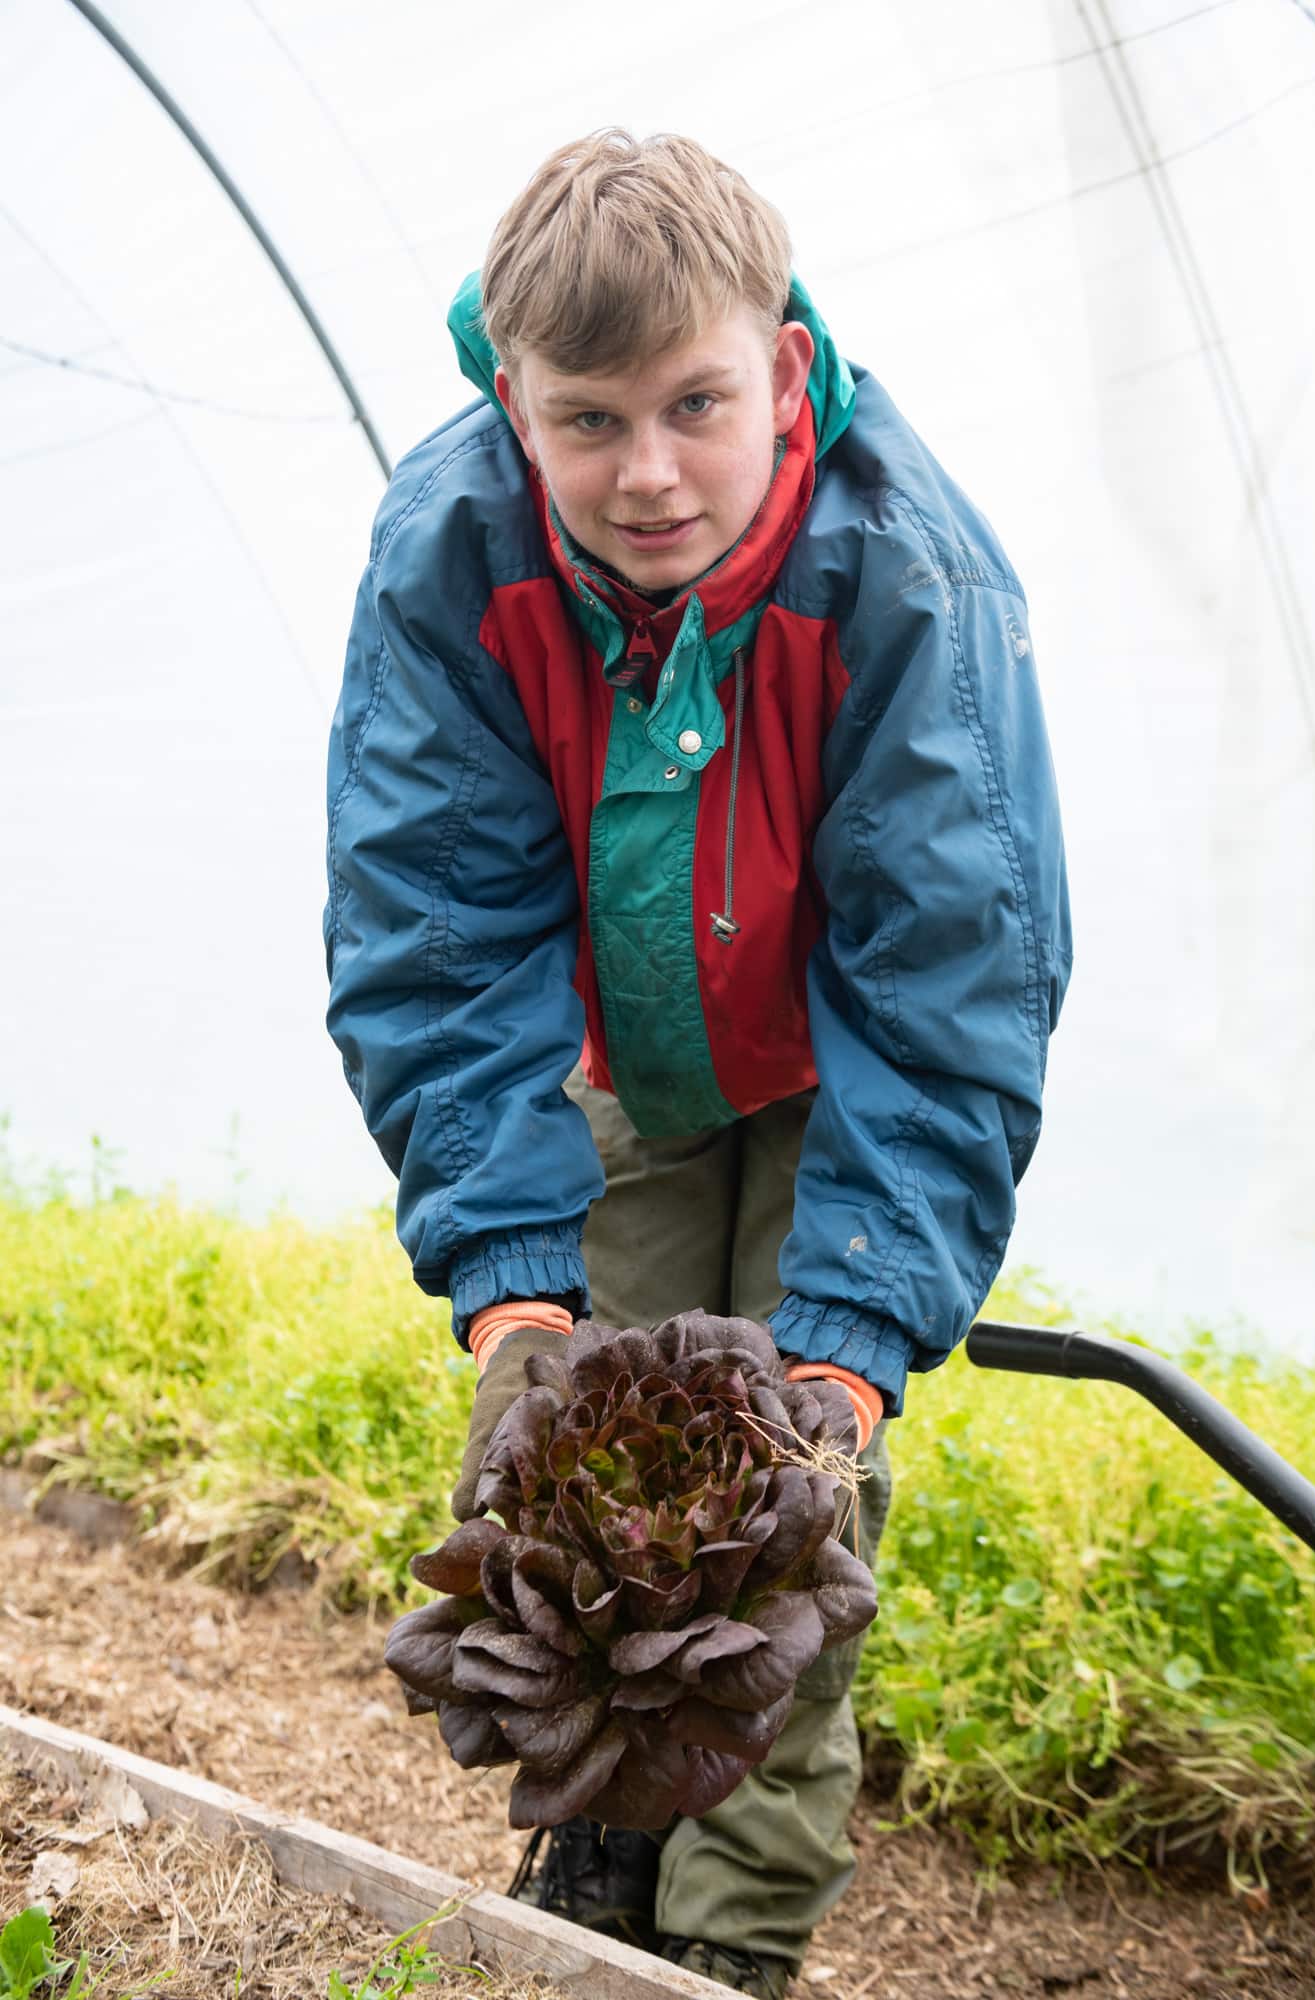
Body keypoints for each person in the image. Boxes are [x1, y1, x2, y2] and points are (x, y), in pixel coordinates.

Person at [325, 129, 1072, 1997]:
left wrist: (849, 1340)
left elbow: (950, 982)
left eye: (696, 405)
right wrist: (510, 1292)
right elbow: (434, 926)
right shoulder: (451, 553)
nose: (647, 472)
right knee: (571, 1493)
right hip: (621, 1063)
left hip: (843, 1080)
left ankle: (728, 1956)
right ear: (510, 398)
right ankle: (595, 1869)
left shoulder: (907, 572)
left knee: (780, 1549)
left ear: (785, 373)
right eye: (586, 420)